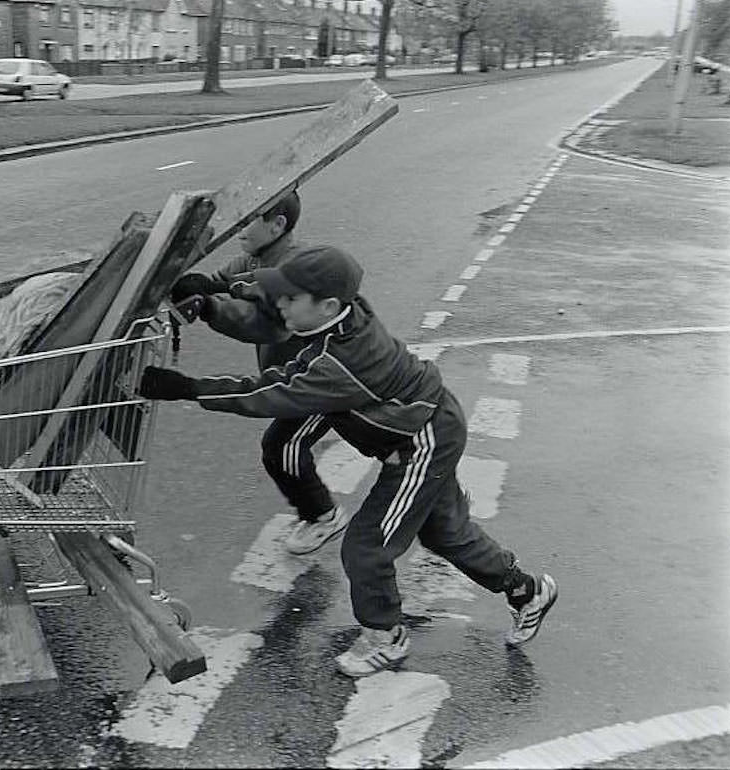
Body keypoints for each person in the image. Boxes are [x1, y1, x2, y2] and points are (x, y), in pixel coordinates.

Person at [141, 244, 557, 677]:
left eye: (292, 299)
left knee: (368, 545)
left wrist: (188, 387)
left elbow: (266, 392)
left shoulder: (342, 365)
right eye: (285, 295)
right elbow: (269, 287)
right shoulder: (337, 310)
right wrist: (216, 288)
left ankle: (385, 636)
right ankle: (527, 591)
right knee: (445, 533)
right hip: (427, 422)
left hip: (422, 441)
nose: (281, 304)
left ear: (328, 305)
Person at [171, 190, 348, 555]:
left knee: (283, 445)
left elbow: (266, 326)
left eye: (248, 219)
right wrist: (192, 286)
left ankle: (325, 517)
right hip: (296, 378)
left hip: (326, 377)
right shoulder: (253, 259)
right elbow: (220, 281)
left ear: (278, 225)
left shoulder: (292, 269)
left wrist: (210, 309)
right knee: (287, 445)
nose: (238, 227)